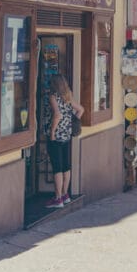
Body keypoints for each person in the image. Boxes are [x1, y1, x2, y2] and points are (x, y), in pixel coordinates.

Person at [46, 75, 84, 208]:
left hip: (56, 136)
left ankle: (58, 199)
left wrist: (52, 132)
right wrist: (72, 122)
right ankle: (65, 195)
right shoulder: (68, 95)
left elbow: (57, 115)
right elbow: (80, 109)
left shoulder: (53, 96)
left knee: (57, 167)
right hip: (66, 135)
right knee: (66, 166)